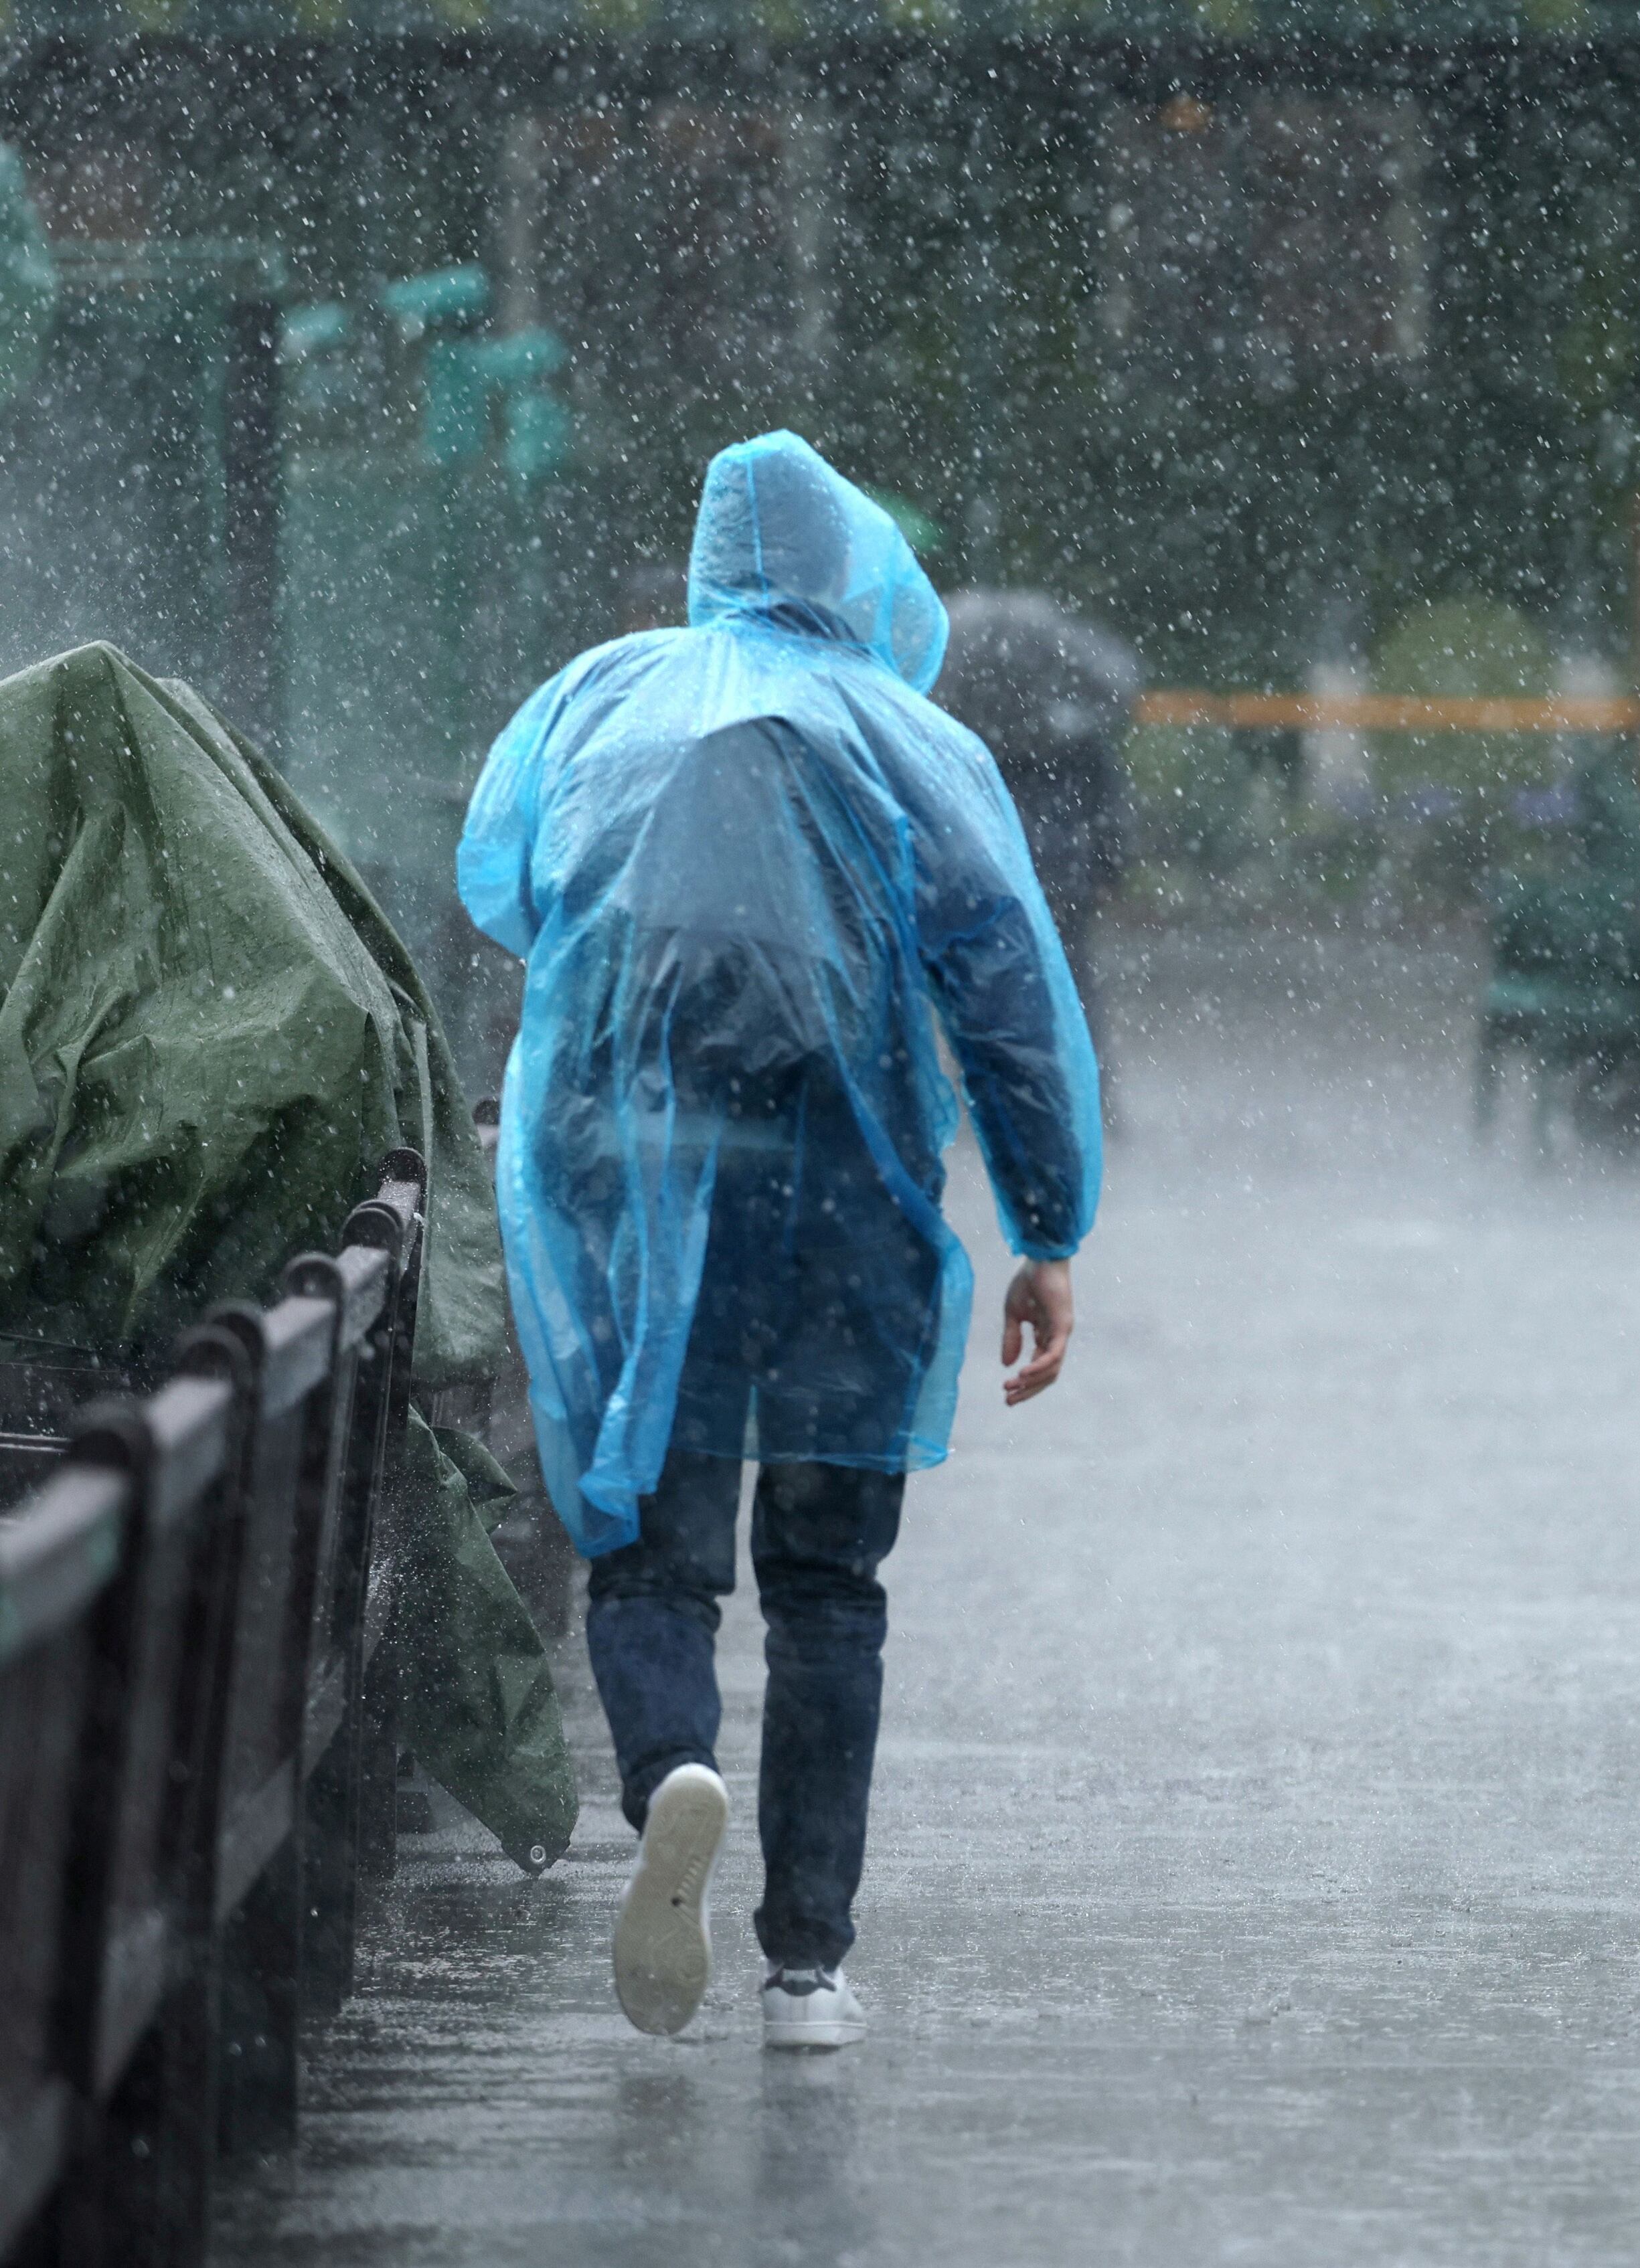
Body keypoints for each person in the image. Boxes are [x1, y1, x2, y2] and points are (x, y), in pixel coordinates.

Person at [459, 432, 1103, 2049]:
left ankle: (672, 1762)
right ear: (848, 573)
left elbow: (509, 890)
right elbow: (1010, 995)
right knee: (828, 1586)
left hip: (636, 1189)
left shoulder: (600, 698)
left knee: (652, 1554)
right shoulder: (916, 743)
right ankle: (806, 1963)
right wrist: (1046, 1222)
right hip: (845, 1200)